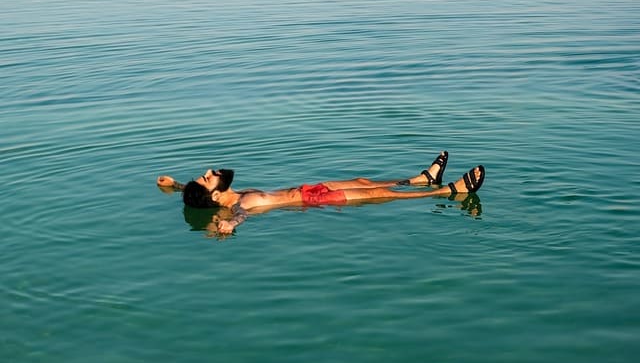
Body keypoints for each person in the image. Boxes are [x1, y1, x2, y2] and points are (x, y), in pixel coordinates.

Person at [157, 151, 485, 234]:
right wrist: (231, 226)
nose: (212, 172)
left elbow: (198, 194)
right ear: (215, 196)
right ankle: (445, 191)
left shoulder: (226, 193)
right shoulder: (240, 203)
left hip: (309, 188)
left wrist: (176, 185)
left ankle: (420, 178)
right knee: (376, 196)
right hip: (315, 200)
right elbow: (242, 216)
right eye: (208, 177)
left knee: (365, 182)